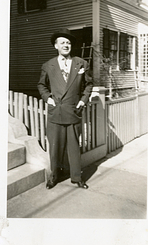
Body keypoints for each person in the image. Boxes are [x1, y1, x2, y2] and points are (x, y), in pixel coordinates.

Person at [37, 28, 93, 189]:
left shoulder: (81, 63)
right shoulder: (48, 65)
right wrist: (48, 99)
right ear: (56, 46)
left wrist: (83, 101)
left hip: (73, 110)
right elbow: (41, 85)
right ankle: (54, 176)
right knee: (55, 147)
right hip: (56, 111)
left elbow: (89, 84)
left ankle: (76, 177)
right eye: (62, 42)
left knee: (74, 147)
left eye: (68, 42)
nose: (66, 45)